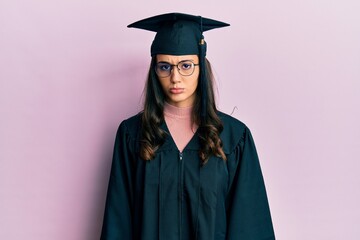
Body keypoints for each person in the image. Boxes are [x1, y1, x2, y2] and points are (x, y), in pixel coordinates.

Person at [100, 12, 275, 240]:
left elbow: (249, 224)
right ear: (155, 71)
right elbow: (118, 222)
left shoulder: (234, 137)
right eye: (165, 67)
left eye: (186, 65)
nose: (175, 77)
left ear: (201, 66)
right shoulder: (132, 135)